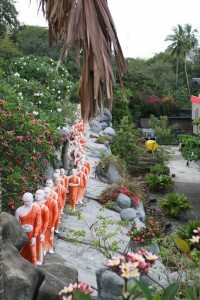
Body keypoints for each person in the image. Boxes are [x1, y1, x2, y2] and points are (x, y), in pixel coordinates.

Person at [15, 192, 41, 266]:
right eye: (25, 201)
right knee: (21, 252)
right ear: (22, 200)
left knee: (33, 254)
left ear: (32, 200)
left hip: (32, 235)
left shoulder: (36, 208)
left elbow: (38, 224)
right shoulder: (19, 210)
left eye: (28, 201)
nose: (26, 203)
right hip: (22, 235)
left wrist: (34, 237)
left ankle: (34, 269)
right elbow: (16, 225)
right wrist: (21, 227)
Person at [34, 189, 49, 266]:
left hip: (40, 229)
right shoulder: (32, 204)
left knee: (39, 244)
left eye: (39, 194)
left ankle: (40, 259)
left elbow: (46, 221)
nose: (37, 195)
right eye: (36, 194)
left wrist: (43, 233)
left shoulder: (44, 208)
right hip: (33, 228)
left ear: (43, 196)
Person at [43, 187, 58, 254]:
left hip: (50, 222)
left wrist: (53, 225)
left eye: (47, 193)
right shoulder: (41, 201)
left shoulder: (53, 202)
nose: (45, 194)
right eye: (44, 193)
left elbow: (56, 214)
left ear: (50, 193)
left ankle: (49, 248)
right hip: (42, 222)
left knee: (50, 236)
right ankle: (44, 248)